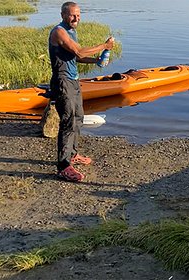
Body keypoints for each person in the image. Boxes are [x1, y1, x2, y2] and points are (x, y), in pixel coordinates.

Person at [49, 1, 114, 181]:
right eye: (72, 15)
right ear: (63, 15)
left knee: (78, 118)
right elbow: (78, 52)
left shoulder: (71, 31)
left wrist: (96, 61)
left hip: (74, 81)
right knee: (68, 121)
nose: (76, 18)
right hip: (63, 82)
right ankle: (63, 166)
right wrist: (104, 46)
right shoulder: (59, 31)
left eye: (78, 14)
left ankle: (73, 154)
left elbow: (75, 57)